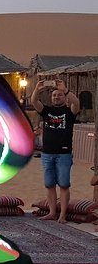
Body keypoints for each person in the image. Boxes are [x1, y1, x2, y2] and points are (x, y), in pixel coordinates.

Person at [31, 79, 80, 223]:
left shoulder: (69, 112)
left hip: (63, 154)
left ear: (64, 98)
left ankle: (62, 214)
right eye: (54, 95)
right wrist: (37, 89)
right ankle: (52, 212)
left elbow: (76, 103)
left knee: (64, 184)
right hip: (47, 153)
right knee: (49, 184)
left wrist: (65, 90)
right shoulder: (47, 111)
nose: (56, 97)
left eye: (59, 95)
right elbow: (35, 102)